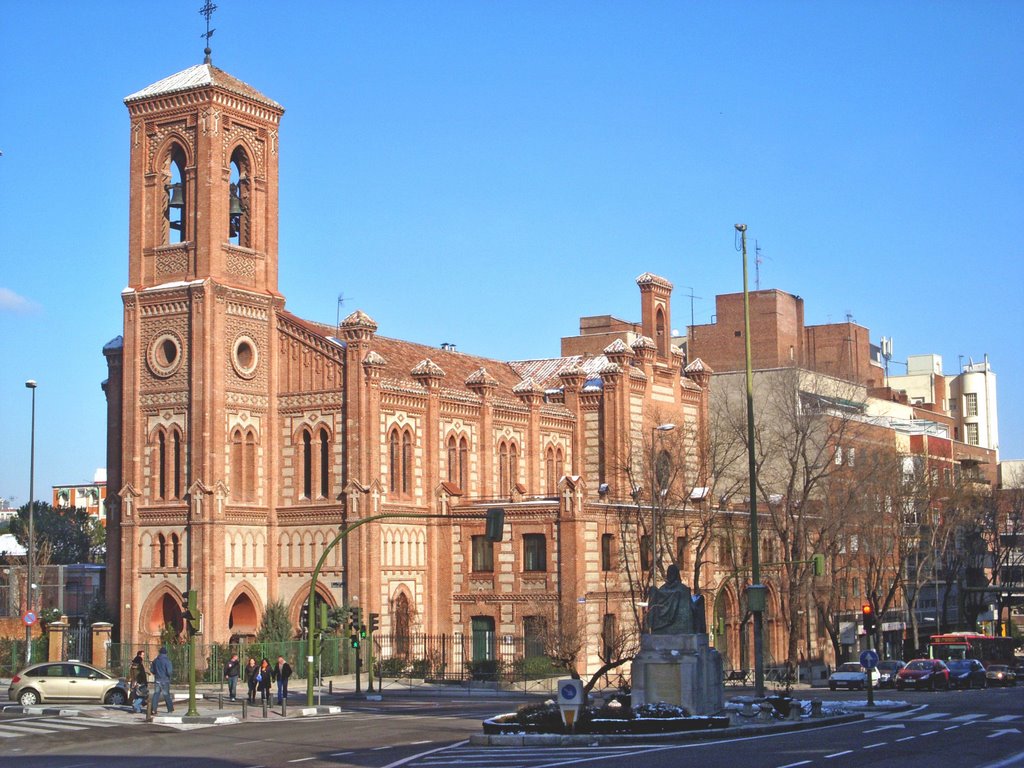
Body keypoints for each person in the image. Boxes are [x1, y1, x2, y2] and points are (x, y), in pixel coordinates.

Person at [646, 563, 694, 634]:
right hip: (681, 628)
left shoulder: (663, 589)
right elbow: (691, 608)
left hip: (663, 627)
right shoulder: (683, 589)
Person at [150, 646, 174, 713]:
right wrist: (169, 676)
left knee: (156, 694)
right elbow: (169, 671)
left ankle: (153, 709)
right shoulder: (167, 661)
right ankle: (170, 709)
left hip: (157, 679)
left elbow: (152, 670)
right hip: (165, 680)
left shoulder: (155, 661)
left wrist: (156, 673)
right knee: (166, 694)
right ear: (166, 653)